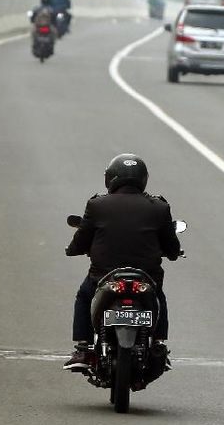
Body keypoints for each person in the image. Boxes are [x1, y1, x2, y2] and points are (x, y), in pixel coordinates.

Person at [63, 154, 182, 370]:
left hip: (104, 276)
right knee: (159, 298)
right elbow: (172, 245)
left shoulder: (97, 205)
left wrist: (72, 250)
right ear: (143, 178)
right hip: (147, 277)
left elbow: (81, 239)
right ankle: (158, 344)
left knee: (83, 296)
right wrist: (174, 253)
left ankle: (83, 348)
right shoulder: (159, 207)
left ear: (110, 178)